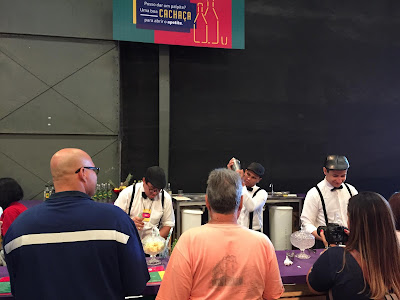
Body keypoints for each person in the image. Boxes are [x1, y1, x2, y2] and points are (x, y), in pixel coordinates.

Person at [3, 148, 149, 300]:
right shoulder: (117, 221)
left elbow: (17, 287)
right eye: (95, 171)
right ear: (83, 173)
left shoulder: (19, 228)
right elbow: (136, 285)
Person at [156, 168, 284, 300]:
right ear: (240, 203)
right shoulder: (263, 243)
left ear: (207, 202)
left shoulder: (189, 241)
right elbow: (272, 294)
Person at [307, 191, 400, 299]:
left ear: (352, 222)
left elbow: (314, 286)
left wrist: (327, 252)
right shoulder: (394, 258)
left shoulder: (336, 258)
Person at [300, 155, 358, 248]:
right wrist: (323, 236)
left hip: (349, 244)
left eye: (343, 176)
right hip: (324, 245)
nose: (339, 180)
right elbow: (306, 224)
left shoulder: (351, 191)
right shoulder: (314, 193)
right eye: (335, 176)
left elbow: (358, 217)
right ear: (325, 171)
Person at [114, 166, 174, 240]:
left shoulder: (165, 198)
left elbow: (168, 225)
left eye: (158, 190)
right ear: (144, 181)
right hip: (129, 240)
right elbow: (114, 219)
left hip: (153, 244)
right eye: (151, 189)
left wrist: (155, 242)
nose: (155, 193)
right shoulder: (127, 194)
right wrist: (129, 223)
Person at [227, 158, 268, 231]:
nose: (248, 178)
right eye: (248, 174)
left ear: (259, 180)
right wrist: (230, 173)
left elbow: (251, 207)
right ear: (245, 172)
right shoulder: (236, 188)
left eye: (253, 177)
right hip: (237, 230)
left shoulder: (262, 193)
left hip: (254, 232)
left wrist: (241, 183)